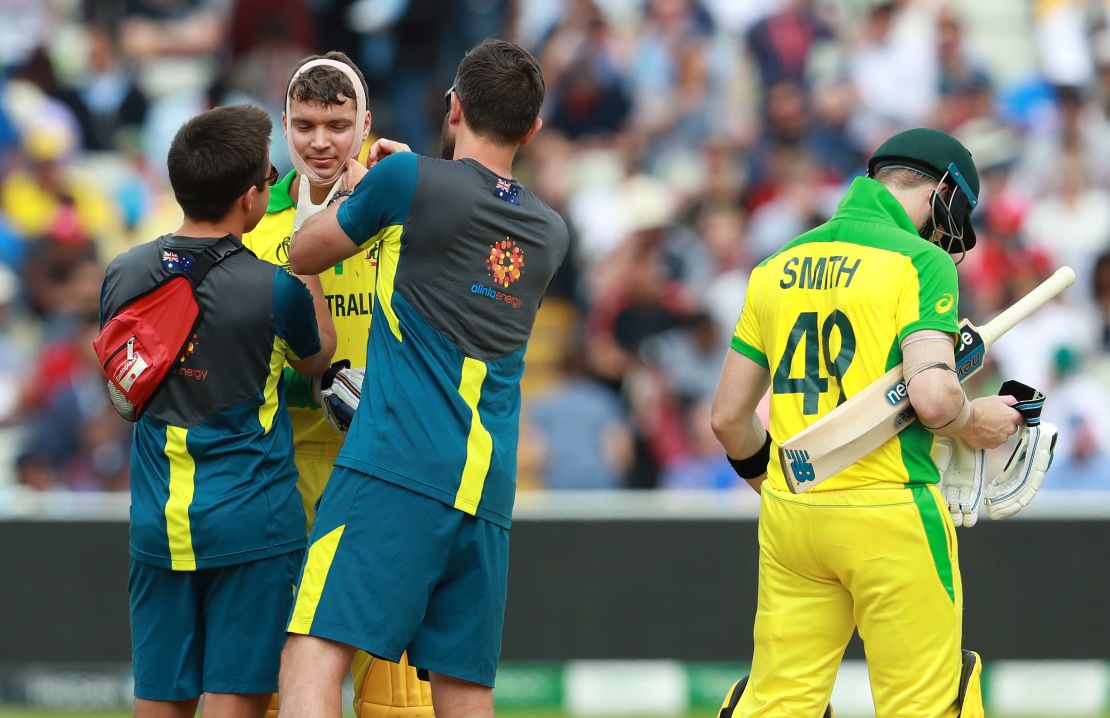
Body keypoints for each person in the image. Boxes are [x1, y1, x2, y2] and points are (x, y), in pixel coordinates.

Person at [276, 39, 569, 718]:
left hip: (396, 461)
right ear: (533, 130)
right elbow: (467, 217)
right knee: (464, 686)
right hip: (486, 483)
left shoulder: (408, 183)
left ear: (453, 107)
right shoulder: (551, 231)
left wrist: (360, 187)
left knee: (312, 650)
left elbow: (304, 249)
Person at [710, 128, 1024, 717]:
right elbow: (934, 398)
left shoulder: (777, 263)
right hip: (890, 512)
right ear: (946, 194)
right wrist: (973, 419)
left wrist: (782, 486)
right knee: (922, 705)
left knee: (779, 704)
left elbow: (728, 419)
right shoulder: (921, 262)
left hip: (792, 516)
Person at [98, 104, 336, 718]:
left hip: (159, 524)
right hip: (253, 529)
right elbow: (318, 360)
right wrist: (306, 243)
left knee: (158, 701)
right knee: (236, 702)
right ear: (251, 199)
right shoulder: (274, 286)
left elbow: (125, 389)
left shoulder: (123, 273)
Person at [241, 51, 434, 718]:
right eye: (305, 124)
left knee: (396, 695)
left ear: (367, 123)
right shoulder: (254, 223)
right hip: (281, 474)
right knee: (273, 684)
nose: (320, 141)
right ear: (283, 126)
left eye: (338, 123)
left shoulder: (406, 207)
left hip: (383, 471)